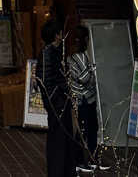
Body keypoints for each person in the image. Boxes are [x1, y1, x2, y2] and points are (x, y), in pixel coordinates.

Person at [38, 20, 76, 177]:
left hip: (62, 102)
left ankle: (65, 171)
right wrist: (57, 101)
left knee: (65, 140)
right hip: (57, 105)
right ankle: (57, 172)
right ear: (56, 35)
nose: (62, 35)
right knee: (58, 141)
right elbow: (46, 82)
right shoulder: (48, 53)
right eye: (60, 32)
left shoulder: (55, 51)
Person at [68, 26, 99, 175]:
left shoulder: (73, 55)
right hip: (84, 99)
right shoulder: (78, 56)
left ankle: (88, 159)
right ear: (84, 39)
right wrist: (92, 69)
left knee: (85, 130)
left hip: (81, 98)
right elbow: (85, 79)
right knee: (86, 130)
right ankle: (83, 160)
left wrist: (90, 70)